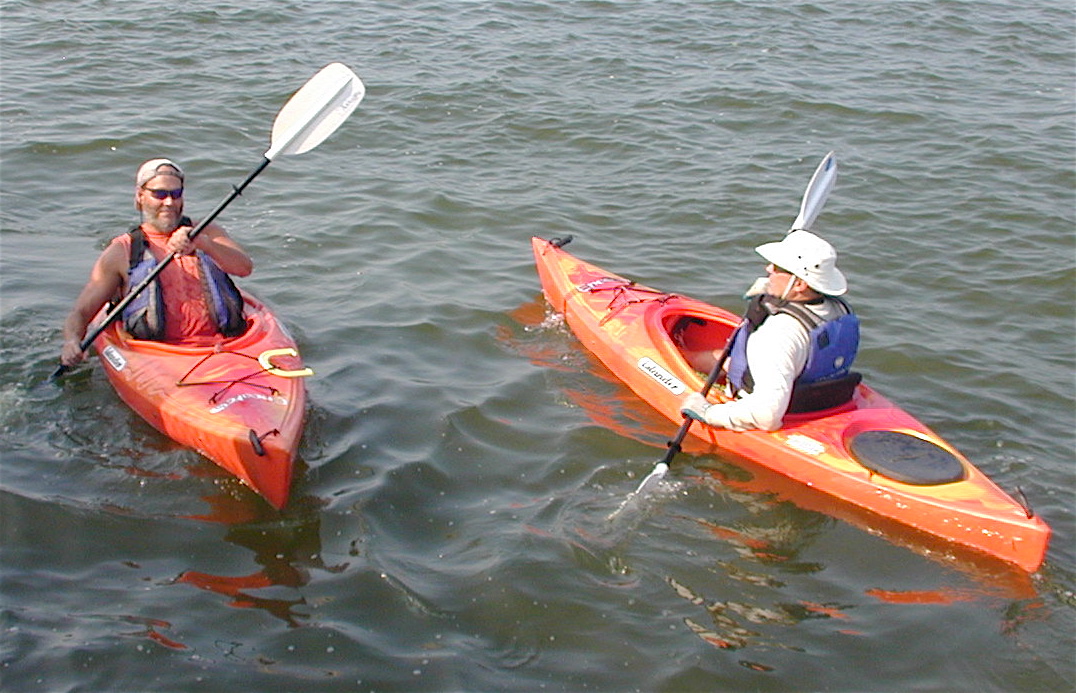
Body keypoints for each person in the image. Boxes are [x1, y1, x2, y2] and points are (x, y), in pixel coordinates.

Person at [60, 159, 254, 367]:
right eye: (159, 194)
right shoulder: (122, 251)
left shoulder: (208, 233)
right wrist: (71, 342)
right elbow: (80, 313)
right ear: (140, 196)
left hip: (225, 346)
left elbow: (244, 268)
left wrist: (204, 244)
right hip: (159, 356)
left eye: (175, 194)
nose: (169, 202)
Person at [679, 230, 860, 431]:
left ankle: (679, 360)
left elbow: (767, 416)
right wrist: (773, 290)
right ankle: (684, 358)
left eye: (777, 268)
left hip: (777, 407)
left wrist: (708, 413)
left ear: (799, 283)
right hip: (826, 397)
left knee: (731, 362)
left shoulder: (775, 336)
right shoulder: (840, 309)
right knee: (727, 360)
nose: (768, 268)